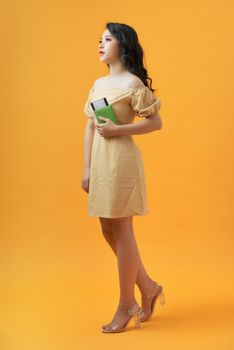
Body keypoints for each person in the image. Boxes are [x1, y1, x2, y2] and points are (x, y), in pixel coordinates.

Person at [81, 22, 166, 334]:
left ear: (123, 44)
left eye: (107, 39)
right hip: (101, 163)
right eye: (99, 39)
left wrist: (119, 130)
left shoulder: (133, 83)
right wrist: (87, 168)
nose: (101, 44)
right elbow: (90, 125)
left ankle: (126, 303)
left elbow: (155, 123)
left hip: (122, 162)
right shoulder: (97, 83)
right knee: (107, 229)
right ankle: (148, 286)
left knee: (122, 229)